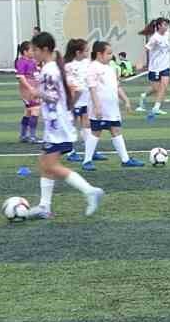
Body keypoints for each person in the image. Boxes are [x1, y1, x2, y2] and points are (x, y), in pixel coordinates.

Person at [25, 31, 105, 221]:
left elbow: (53, 96)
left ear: (44, 49)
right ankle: (44, 206)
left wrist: (37, 93)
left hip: (58, 127)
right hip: (58, 124)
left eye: (35, 50)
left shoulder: (49, 70)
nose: (33, 53)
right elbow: (70, 92)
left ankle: (89, 191)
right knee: (44, 163)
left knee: (50, 164)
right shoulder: (52, 68)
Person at [85, 39, 145, 170]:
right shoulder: (92, 68)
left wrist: (126, 100)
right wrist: (97, 106)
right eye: (108, 53)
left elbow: (117, 87)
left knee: (116, 130)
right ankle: (87, 161)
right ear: (99, 54)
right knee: (96, 132)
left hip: (112, 108)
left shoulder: (110, 68)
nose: (111, 56)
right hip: (100, 109)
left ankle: (125, 160)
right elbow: (92, 89)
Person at [62, 38, 98, 164]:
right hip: (74, 99)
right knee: (72, 125)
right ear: (78, 52)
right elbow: (69, 84)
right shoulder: (68, 65)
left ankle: (90, 150)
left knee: (86, 124)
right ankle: (70, 151)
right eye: (86, 50)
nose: (88, 52)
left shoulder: (87, 63)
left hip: (85, 99)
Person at [136, 17, 170, 120]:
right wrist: (140, 62)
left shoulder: (166, 33)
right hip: (155, 68)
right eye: (164, 25)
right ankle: (143, 96)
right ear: (159, 26)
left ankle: (156, 108)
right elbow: (146, 49)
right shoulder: (154, 38)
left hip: (165, 66)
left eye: (167, 25)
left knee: (164, 86)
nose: (166, 27)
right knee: (156, 89)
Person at [15, 41, 40, 143]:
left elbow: (35, 73)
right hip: (28, 90)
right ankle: (32, 136)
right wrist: (30, 88)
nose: (33, 52)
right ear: (25, 52)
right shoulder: (22, 62)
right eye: (31, 50)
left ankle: (23, 135)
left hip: (32, 88)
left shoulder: (31, 61)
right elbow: (21, 77)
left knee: (28, 112)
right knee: (36, 110)